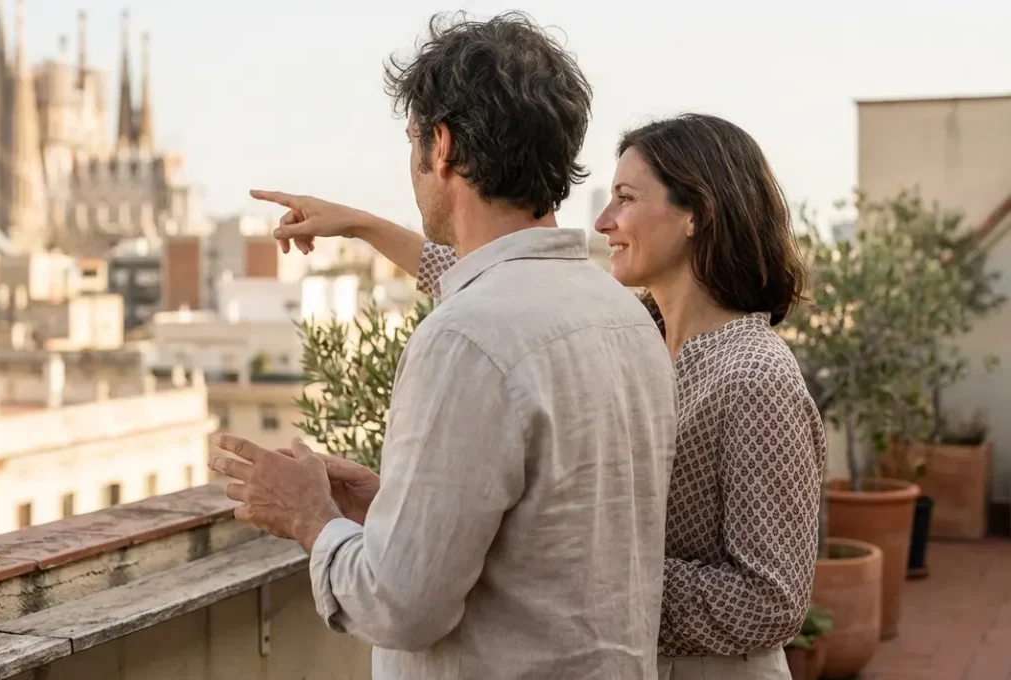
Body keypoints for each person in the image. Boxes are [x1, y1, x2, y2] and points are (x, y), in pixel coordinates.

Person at [257, 113, 826, 680]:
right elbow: (487, 280)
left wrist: (577, 569)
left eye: (625, 199)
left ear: (696, 215)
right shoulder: (631, 329)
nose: (602, 221)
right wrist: (358, 226)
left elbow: (771, 599)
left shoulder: (757, 376)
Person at [208, 11, 677, 680]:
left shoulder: (467, 338)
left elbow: (400, 607)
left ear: (444, 147)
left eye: (411, 140)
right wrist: (396, 507)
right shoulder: (622, 315)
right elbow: (549, 533)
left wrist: (309, 517)